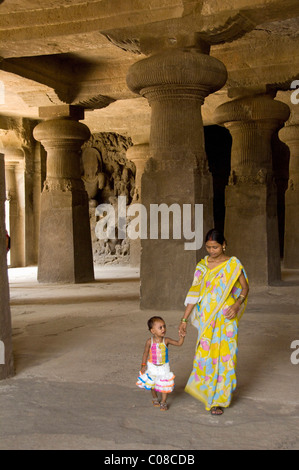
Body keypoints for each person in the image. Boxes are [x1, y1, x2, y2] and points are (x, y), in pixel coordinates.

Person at [179, 229, 249, 416]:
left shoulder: (233, 264)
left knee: (225, 357)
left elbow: (245, 287)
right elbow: (194, 294)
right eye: (208, 247)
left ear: (224, 244)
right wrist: (184, 319)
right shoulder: (201, 267)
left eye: (215, 247)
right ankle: (209, 393)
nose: (212, 250)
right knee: (206, 356)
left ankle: (218, 400)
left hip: (226, 317)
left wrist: (236, 305)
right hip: (207, 319)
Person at [137, 316, 184, 411]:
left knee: (164, 385)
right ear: (152, 331)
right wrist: (143, 365)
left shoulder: (166, 340)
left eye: (164, 326)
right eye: (160, 327)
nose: (163, 329)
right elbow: (145, 353)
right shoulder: (149, 342)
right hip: (152, 367)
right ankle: (155, 398)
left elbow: (179, 343)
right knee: (152, 384)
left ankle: (163, 402)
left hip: (164, 367)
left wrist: (182, 337)